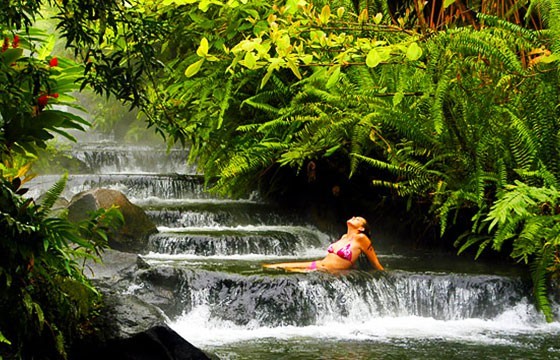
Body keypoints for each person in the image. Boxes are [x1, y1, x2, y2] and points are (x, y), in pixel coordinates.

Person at [263, 216, 384, 272]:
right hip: (319, 264)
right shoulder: (344, 237)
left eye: (357, 219)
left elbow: (375, 262)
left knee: (289, 270)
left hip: (326, 270)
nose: (353, 217)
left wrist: (384, 274)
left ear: (362, 229)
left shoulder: (361, 238)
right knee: (275, 266)